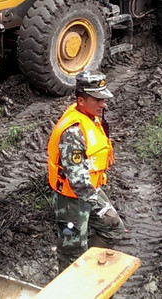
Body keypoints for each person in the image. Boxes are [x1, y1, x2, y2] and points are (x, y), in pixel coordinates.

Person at [47, 71, 125, 272]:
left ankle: (87, 271)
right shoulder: (73, 132)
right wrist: (99, 206)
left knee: (113, 227)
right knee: (71, 250)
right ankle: (71, 284)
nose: (103, 104)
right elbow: (78, 181)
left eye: (104, 99)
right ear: (81, 100)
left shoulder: (91, 116)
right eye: (98, 99)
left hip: (89, 191)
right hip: (70, 202)